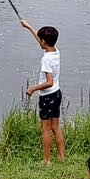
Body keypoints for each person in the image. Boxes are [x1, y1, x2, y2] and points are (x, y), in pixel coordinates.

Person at [21, 20, 64, 164]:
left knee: (45, 129)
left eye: (41, 39)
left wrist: (33, 88)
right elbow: (41, 41)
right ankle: (61, 156)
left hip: (47, 96)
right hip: (57, 94)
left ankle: (46, 160)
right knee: (55, 127)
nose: (40, 41)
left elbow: (48, 82)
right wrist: (29, 27)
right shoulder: (56, 51)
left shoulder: (46, 59)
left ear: (44, 42)